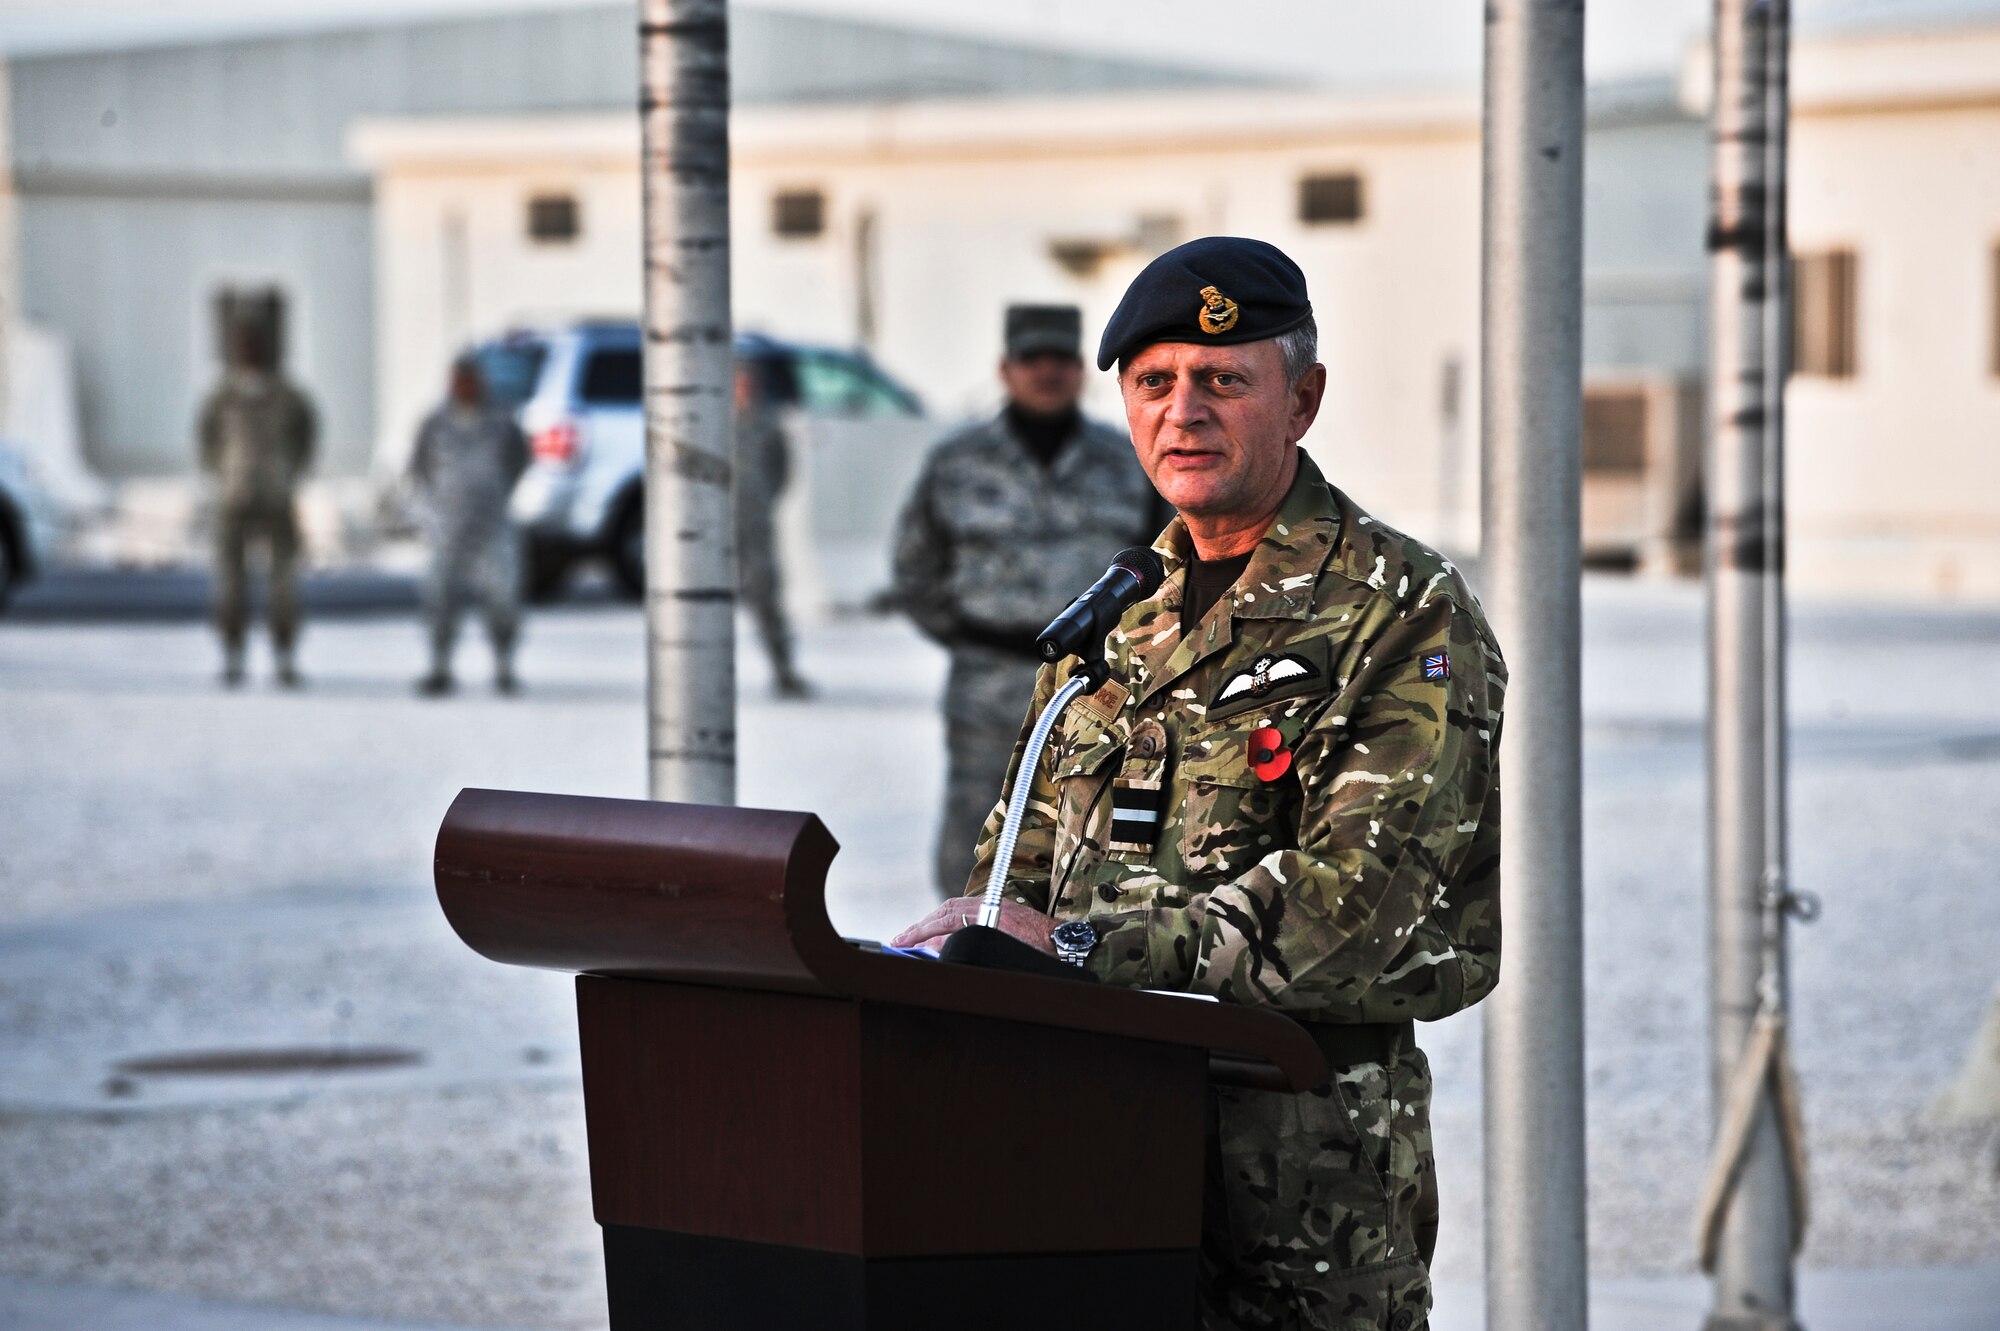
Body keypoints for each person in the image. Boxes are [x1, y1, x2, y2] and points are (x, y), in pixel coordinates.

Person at [892, 237, 1507, 1330]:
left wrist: (1082, 949)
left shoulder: (1399, 608)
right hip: (1081, 1172)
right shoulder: (1114, 612)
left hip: (1297, 1203)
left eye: (1223, 379)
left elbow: (1346, 916)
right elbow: (1013, 879)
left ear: (1300, 399)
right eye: (1152, 382)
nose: (1183, 413)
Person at [891, 304, 1165, 898]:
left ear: (1081, 371)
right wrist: (975, 635)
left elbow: (1166, 564)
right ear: (1005, 369)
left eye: (1061, 359)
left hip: (1102, 685)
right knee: (976, 825)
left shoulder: (1128, 461)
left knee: (1094, 826)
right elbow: (915, 569)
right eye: (1031, 358)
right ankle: (962, 955)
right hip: (989, 680)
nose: (1047, 371)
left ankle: (1068, 956)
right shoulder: (958, 461)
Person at [198, 320, 317, 687]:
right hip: (235, 498)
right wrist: (224, 473)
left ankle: (284, 655)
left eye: (256, 345)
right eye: (244, 346)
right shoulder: (223, 397)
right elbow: (206, 439)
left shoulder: (288, 395)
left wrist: (289, 472)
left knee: (283, 585)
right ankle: (234, 655)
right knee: (231, 584)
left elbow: (306, 435)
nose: (251, 353)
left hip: (276, 498)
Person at [408, 355, 530, 696]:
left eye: (471, 379)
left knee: (503, 597)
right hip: (447, 525)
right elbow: (419, 467)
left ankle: (504, 666)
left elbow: (519, 460)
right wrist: (434, 506)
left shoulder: (502, 420)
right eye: (458, 380)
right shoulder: (434, 423)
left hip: (491, 523)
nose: (465, 386)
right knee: (439, 596)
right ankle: (440, 666)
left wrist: (496, 492)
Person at [735, 357, 811, 698]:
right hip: (718, 525)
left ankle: (783, 670)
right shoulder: (714, 422)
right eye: (739, 381)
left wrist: (763, 500)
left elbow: (782, 471)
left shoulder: (768, 422)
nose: (745, 387)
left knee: (767, 596)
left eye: (750, 381)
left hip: (756, 522)